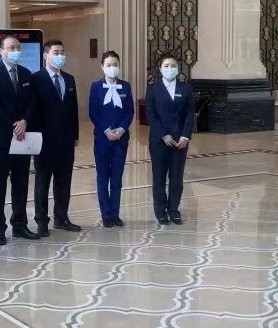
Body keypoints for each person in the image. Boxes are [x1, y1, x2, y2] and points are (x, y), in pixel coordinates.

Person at [0, 36, 41, 246]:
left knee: (21, 183)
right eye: (10, 48)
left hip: (22, 138)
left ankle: (20, 224)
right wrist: (13, 124)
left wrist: (24, 121)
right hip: (1, 138)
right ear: (1, 51)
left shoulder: (26, 74)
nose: (15, 51)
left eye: (17, 47)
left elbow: (32, 103)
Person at [30, 39, 80, 236]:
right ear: (46, 56)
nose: (60, 56)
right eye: (56, 53)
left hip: (66, 140)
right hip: (44, 140)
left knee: (64, 181)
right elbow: (32, 110)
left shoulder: (69, 79)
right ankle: (41, 221)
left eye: (62, 52)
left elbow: (73, 109)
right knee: (43, 182)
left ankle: (61, 217)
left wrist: (75, 134)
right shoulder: (36, 79)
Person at [145, 54, 195, 225]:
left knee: (176, 178)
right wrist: (163, 134)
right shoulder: (153, 89)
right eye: (166, 65)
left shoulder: (185, 88)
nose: (170, 68)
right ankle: (160, 211)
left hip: (180, 141)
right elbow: (150, 114)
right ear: (160, 69)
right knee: (159, 177)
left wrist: (185, 135)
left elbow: (190, 113)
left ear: (178, 69)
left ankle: (174, 210)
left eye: (173, 65)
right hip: (159, 141)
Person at [89, 51, 135, 228]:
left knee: (117, 178)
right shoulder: (96, 86)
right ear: (102, 66)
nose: (112, 68)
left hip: (121, 140)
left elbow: (129, 111)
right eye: (108, 65)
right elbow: (93, 112)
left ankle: (115, 213)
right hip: (102, 138)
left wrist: (121, 129)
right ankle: (106, 214)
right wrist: (106, 131)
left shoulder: (126, 86)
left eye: (115, 64)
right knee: (103, 177)